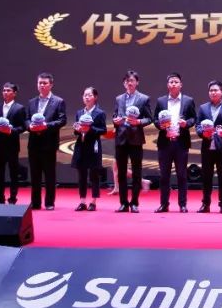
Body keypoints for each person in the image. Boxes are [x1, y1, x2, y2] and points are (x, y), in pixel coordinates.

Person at [152, 72, 196, 213]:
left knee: (182, 175)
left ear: (181, 84)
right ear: (168, 85)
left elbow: (193, 118)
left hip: (181, 142)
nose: (173, 84)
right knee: (164, 176)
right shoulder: (161, 101)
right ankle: (164, 204)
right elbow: (155, 119)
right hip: (165, 143)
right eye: (171, 82)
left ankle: (182, 204)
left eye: (176, 82)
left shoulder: (188, 100)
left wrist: (186, 123)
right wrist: (160, 125)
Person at [25, 72, 67, 211]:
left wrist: (46, 126)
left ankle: (49, 202)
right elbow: (26, 119)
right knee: (35, 174)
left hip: (49, 143)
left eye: (45, 83)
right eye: (40, 83)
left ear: (51, 85)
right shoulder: (31, 102)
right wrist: (29, 126)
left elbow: (62, 120)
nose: (42, 85)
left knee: (49, 174)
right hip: (33, 143)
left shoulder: (58, 101)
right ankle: (35, 202)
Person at [196, 80, 222, 213]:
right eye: (211, 90)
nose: (213, 93)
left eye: (216, 90)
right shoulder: (203, 108)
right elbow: (197, 126)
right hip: (207, 146)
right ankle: (205, 204)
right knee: (206, 177)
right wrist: (202, 133)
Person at [112, 70, 151, 213]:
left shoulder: (144, 98)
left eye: (132, 80)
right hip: (121, 139)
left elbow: (149, 118)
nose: (130, 83)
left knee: (136, 172)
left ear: (137, 82)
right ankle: (123, 203)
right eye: (127, 81)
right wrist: (115, 121)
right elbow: (115, 115)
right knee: (121, 172)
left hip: (136, 139)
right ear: (124, 83)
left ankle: (134, 202)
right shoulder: (119, 99)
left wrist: (138, 122)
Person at [71, 86, 107, 211]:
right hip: (81, 145)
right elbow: (76, 131)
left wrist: (89, 129)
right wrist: (77, 129)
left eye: (89, 95)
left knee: (94, 174)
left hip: (93, 146)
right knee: (81, 175)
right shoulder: (79, 113)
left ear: (95, 97)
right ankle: (82, 201)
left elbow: (103, 130)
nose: (87, 97)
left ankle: (93, 201)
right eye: (85, 95)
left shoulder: (100, 113)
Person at [0, 82, 28, 204]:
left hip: (12, 145)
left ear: (14, 93)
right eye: (4, 90)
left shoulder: (19, 108)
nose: (5, 92)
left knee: (13, 173)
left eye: (8, 90)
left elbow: (23, 127)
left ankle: (13, 197)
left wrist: (11, 131)